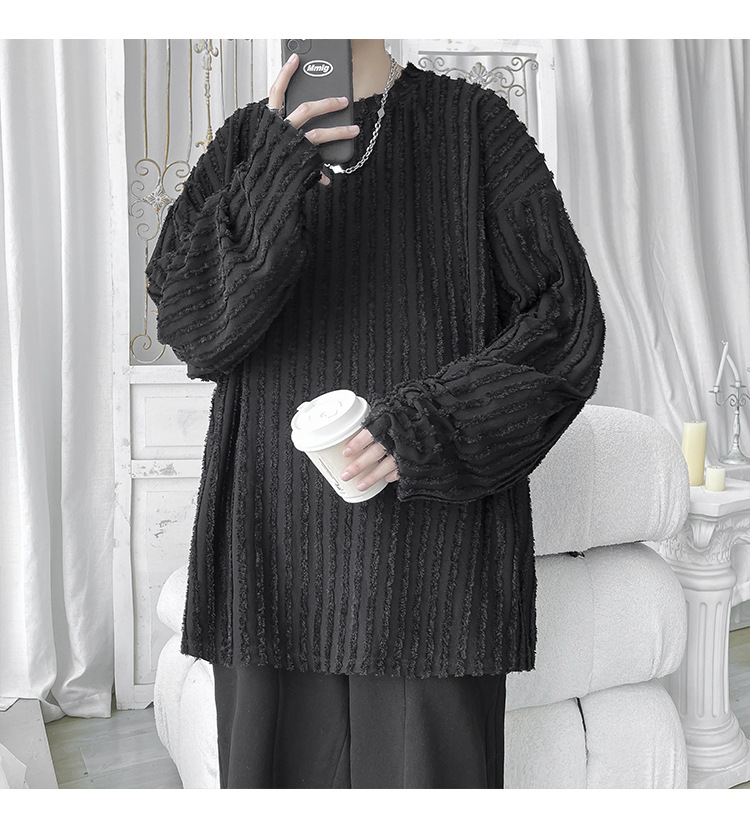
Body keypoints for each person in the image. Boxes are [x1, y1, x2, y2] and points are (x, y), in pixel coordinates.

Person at [145, 38, 606, 788]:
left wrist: (426, 429)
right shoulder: (246, 142)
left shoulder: (474, 126)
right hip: (269, 560)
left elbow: (565, 324)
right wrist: (274, 173)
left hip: (431, 562)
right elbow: (195, 331)